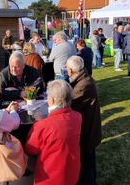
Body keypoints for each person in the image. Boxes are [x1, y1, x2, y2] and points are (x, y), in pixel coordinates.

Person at [25, 79, 82, 184]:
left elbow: (30, 148)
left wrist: (37, 125)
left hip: (50, 177)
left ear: (50, 100)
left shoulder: (44, 125)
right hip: (72, 173)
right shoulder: (77, 117)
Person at [67, 56, 102, 185]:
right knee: (89, 160)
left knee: (86, 162)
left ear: (70, 70)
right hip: (90, 127)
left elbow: (69, 104)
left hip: (88, 130)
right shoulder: (84, 78)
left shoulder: (83, 85)